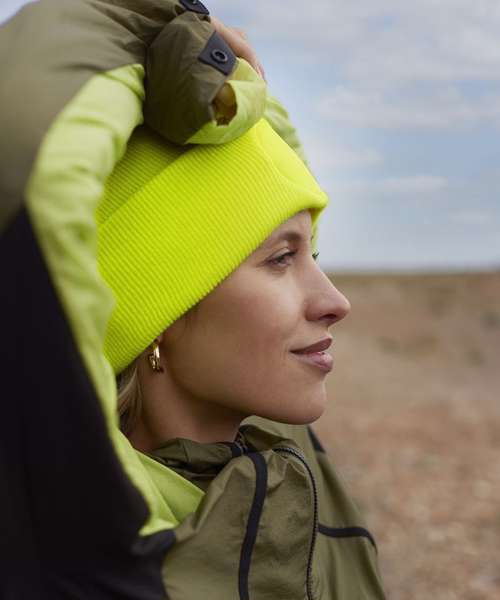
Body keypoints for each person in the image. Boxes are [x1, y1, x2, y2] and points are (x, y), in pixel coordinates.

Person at [0, 1, 386, 598]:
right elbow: (24, 140)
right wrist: (138, 18)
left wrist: (245, 91)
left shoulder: (288, 468)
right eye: (281, 259)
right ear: (156, 311)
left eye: (312, 253)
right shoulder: (72, 536)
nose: (335, 302)